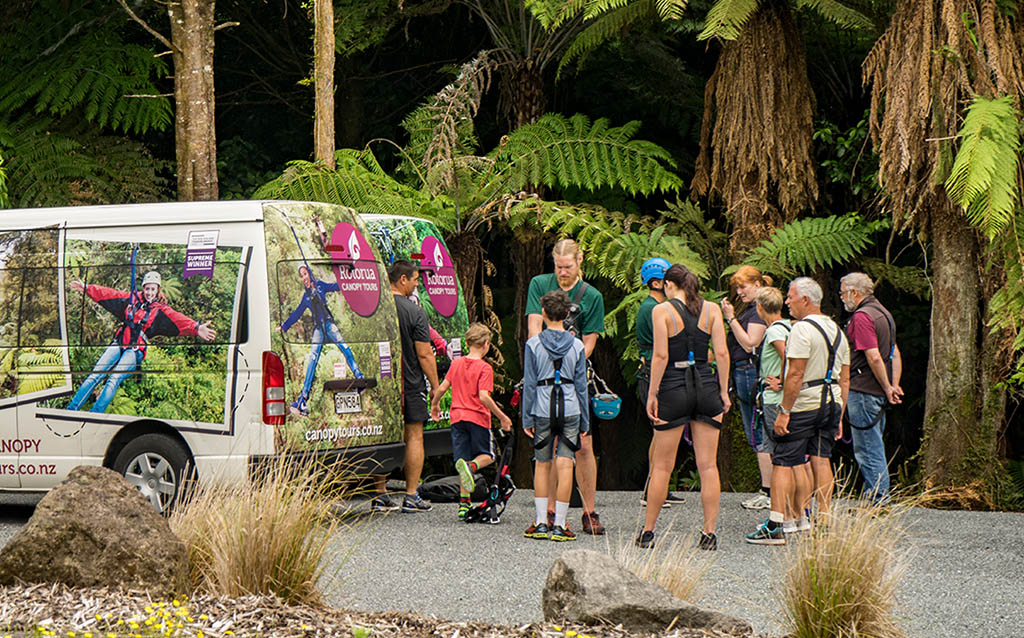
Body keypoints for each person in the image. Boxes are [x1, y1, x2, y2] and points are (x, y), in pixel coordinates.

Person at [746, 277, 849, 545]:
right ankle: (823, 521)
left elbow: (795, 373)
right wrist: (839, 415)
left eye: (791, 296)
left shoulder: (801, 330)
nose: (787, 301)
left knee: (783, 460)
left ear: (806, 300)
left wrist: (784, 411)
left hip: (804, 403)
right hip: (831, 402)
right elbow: (845, 378)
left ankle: (776, 524)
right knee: (821, 458)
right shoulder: (837, 330)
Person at [640, 265, 730, 550]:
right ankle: (709, 533)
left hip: (673, 386)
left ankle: (648, 532)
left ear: (668, 285)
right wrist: (724, 391)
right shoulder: (712, 310)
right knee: (708, 465)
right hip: (705, 382)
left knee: (663, 466)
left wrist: (653, 393)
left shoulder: (662, 311)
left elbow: (661, 355)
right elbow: (723, 353)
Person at [525, 239, 606, 535]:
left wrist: (566, 362)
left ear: (579, 261)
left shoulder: (592, 296)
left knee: (582, 445)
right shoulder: (539, 284)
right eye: (558, 267)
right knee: (547, 448)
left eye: (568, 267)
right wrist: (545, 357)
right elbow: (534, 327)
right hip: (545, 370)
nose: (562, 273)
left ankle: (588, 511)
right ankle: (547, 512)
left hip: (575, 374)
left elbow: (590, 342)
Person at [68, 271, 216, 413]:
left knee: (113, 378)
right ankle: (72, 410)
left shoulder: (160, 310)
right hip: (120, 342)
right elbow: (110, 294)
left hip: (135, 350)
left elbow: (178, 319)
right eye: (147, 289)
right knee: (96, 374)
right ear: (143, 288)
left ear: (158, 290)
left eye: (153, 289)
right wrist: (87, 289)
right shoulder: (132, 300)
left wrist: (196, 328)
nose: (149, 293)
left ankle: (95, 414)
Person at [371, 260, 440, 514]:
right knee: (414, 436)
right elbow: (424, 354)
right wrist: (435, 386)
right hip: (409, 382)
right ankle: (411, 495)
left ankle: (380, 493)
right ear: (402, 280)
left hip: (380, 384)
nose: (415, 285)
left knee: (384, 435)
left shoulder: (376, 308)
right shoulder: (414, 312)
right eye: (414, 280)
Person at [522, 290, 589, 542]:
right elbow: (582, 385)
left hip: (541, 406)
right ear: (566, 315)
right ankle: (560, 525)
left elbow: (530, 383)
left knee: (542, 463)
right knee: (565, 463)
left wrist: (526, 418)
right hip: (571, 407)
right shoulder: (578, 345)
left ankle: (540, 522)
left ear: (543, 314)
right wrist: (585, 421)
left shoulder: (533, 344)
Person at [430, 323, 513, 519]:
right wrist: (502, 416)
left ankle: (464, 504)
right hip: (477, 417)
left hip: (457, 418)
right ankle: (472, 468)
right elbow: (484, 396)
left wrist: (434, 405)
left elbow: (442, 388)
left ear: (467, 343)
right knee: (487, 455)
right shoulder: (485, 368)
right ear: (486, 344)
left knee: (462, 460)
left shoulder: (456, 363)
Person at [752, 287, 811, 535]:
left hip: (775, 400)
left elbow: (789, 356)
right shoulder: (789, 326)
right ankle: (801, 516)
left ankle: (785, 517)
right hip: (782, 398)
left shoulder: (775, 329)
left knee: (783, 460)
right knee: (796, 459)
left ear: (760, 308)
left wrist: (782, 381)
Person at [840, 272, 903, 503]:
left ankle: (878, 498)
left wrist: (888, 387)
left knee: (867, 448)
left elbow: (874, 356)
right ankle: (876, 494)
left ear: (854, 293)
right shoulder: (884, 313)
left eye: (843, 292)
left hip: (864, 390)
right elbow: (894, 352)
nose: (841, 297)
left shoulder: (863, 317)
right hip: (877, 391)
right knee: (874, 443)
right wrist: (894, 384)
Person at [278, 264, 364, 417]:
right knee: (312, 359)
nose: (304, 278)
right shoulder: (306, 297)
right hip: (318, 329)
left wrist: (350, 280)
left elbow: (336, 287)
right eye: (302, 276)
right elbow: (297, 314)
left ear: (310, 274)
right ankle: (303, 399)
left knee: (345, 348)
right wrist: (284, 327)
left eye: (305, 274)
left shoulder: (320, 286)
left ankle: (360, 378)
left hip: (329, 324)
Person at [635, 257, 686, 507]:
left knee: (661, 433)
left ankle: (658, 487)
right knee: (660, 431)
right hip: (652, 373)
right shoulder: (651, 309)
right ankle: (652, 490)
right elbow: (661, 346)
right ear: (657, 282)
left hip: (659, 371)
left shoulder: (658, 307)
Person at [720, 266, 770, 510]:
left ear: (758, 284)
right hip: (741, 371)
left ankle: (768, 490)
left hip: (750, 370)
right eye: (737, 287)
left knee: (758, 430)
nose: (739, 292)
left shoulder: (759, 310)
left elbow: (751, 343)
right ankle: (767, 488)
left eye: (743, 286)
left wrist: (730, 318)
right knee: (754, 431)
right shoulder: (751, 309)